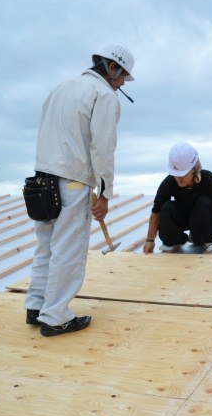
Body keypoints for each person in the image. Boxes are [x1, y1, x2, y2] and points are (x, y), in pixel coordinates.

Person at [25, 43, 135, 336]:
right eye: (123, 76)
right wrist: (105, 193)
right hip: (72, 182)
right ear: (113, 68)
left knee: (46, 247)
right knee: (68, 252)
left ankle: (36, 306)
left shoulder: (60, 88)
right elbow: (103, 148)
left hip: (41, 181)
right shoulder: (104, 96)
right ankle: (56, 316)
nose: (123, 83)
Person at [143, 142, 212, 256]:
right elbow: (156, 212)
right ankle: (174, 240)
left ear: (194, 169)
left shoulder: (209, 180)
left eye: (183, 174)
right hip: (182, 218)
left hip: (202, 219)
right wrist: (150, 240)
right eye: (175, 174)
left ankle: (202, 239)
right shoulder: (169, 182)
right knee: (166, 207)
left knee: (205, 202)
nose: (178, 178)